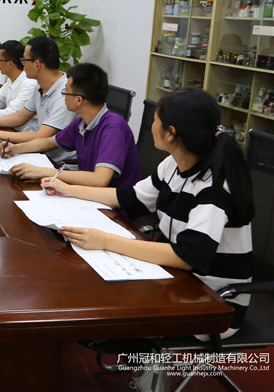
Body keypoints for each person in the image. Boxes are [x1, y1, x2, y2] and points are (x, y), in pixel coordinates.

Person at [45, 88, 253, 339]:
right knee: (86, 285)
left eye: (155, 119)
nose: (151, 125)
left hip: (213, 303)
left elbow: (189, 256)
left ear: (170, 133)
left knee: (101, 310)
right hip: (176, 278)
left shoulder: (214, 188)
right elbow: (130, 198)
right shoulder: (173, 164)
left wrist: (106, 241)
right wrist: (69, 190)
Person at [0, 62, 141, 188]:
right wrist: (16, 148)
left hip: (113, 203)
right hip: (87, 192)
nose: (63, 96)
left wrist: (44, 172)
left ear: (78, 100)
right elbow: (49, 142)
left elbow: (99, 180)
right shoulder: (82, 122)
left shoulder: (113, 128)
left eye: (65, 92)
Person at [0, 36, 76, 163]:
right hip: (37, 152)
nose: (22, 63)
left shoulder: (65, 93)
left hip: (57, 162)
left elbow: (42, 136)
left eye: (24, 59)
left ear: (37, 64)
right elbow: (20, 117)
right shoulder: (40, 86)